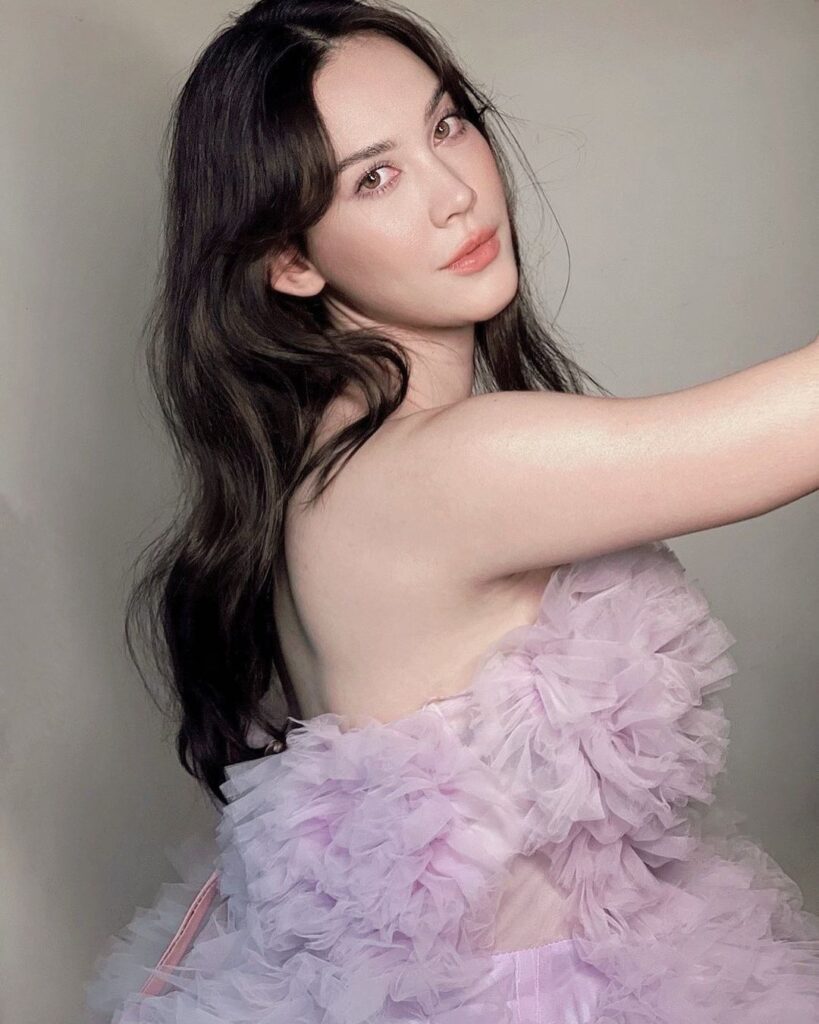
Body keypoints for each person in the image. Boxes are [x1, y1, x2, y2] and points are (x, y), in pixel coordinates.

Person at [85, 1, 819, 1021]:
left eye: (446, 124)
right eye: (374, 177)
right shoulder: (438, 469)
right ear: (291, 259)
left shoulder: (329, 460)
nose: (456, 193)